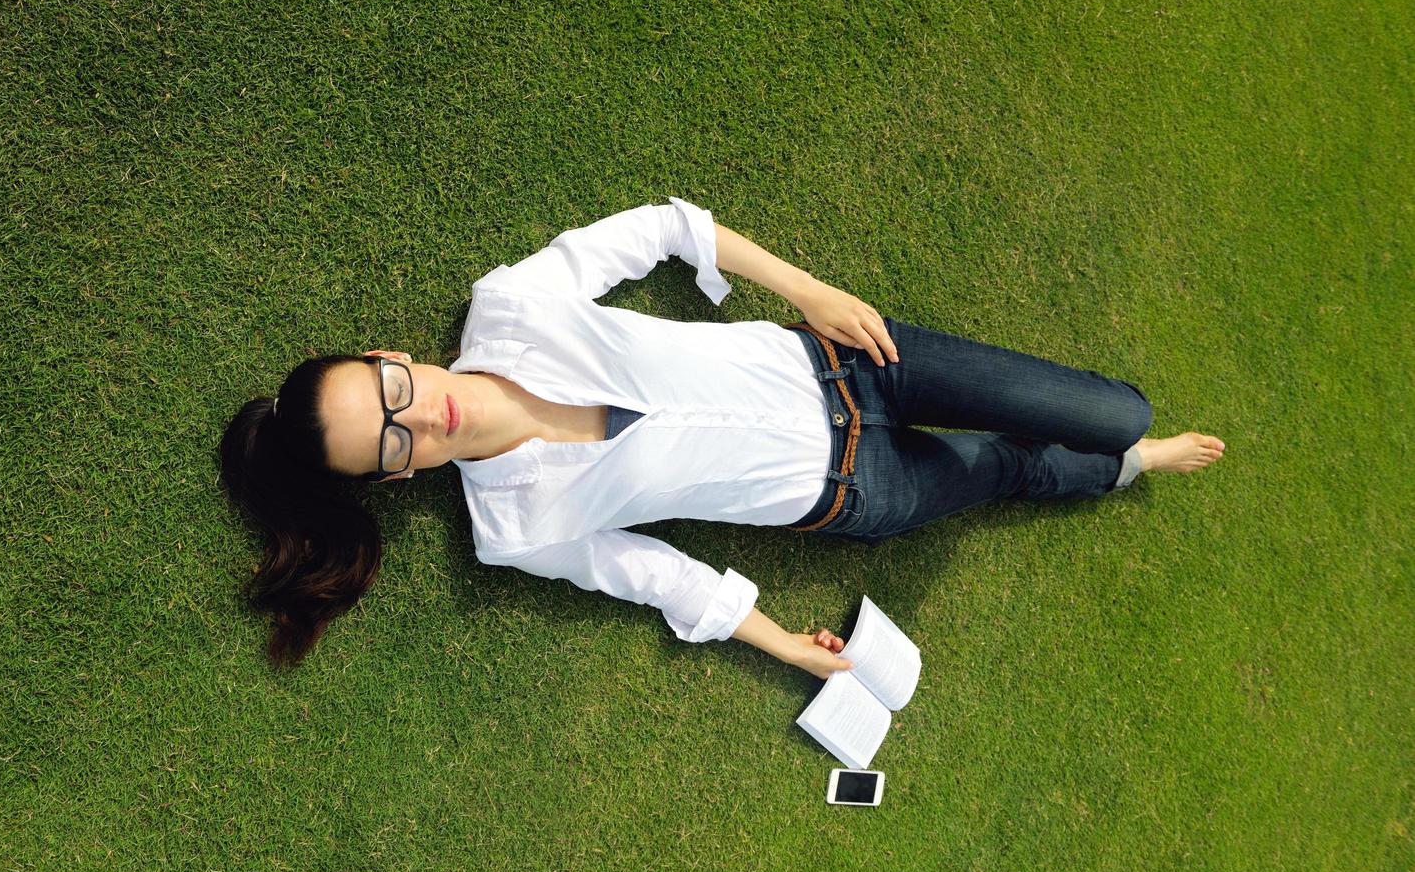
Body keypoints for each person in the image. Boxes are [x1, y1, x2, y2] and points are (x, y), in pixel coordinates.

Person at [219, 197, 1225, 674]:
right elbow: (653, 575)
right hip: (852, 491)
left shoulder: (510, 306)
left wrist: (812, 290)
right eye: (389, 443)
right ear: (394, 476)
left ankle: (1122, 439)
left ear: (395, 355)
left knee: (1110, 406)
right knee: (1010, 465)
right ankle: (1126, 469)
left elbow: (664, 227)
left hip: (855, 359)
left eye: (388, 388)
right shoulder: (511, 526)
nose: (415, 414)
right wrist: (785, 644)